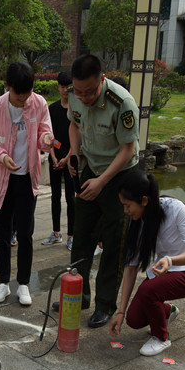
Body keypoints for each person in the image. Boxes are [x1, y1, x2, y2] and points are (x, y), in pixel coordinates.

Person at [58, 54, 140, 329]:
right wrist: (74, 152)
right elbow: (74, 124)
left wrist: (102, 181)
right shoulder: (76, 94)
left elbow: (127, 150)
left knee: (114, 242)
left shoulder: (123, 103)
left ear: (102, 79)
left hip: (120, 175)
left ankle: (105, 305)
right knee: (82, 234)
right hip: (91, 168)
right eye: (79, 92)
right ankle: (78, 294)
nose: (85, 97)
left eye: (90, 91)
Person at [0, 61, 54, 307]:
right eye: (19, 96)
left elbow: (44, 134)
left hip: (27, 178)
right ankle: (3, 282)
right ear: (7, 86)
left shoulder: (39, 103)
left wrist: (46, 139)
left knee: (25, 233)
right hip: (3, 179)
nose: (24, 100)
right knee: (2, 233)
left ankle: (23, 283)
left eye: (28, 94)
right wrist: (2, 156)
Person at [110, 169, 185, 356]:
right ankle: (168, 311)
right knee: (134, 319)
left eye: (128, 205)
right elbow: (131, 268)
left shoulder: (175, 209)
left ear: (144, 200)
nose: (125, 211)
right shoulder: (137, 221)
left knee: (147, 290)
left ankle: (161, 338)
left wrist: (171, 260)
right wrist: (120, 312)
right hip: (163, 272)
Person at [42, 71, 75, 251]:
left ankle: (71, 235)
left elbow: (77, 137)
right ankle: (56, 233)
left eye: (68, 87)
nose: (64, 90)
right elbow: (50, 135)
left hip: (71, 159)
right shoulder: (52, 109)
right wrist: (54, 156)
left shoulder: (76, 110)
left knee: (71, 197)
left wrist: (67, 157)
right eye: (62, 87)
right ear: (58, 87)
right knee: (55, 196)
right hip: (55, 157)